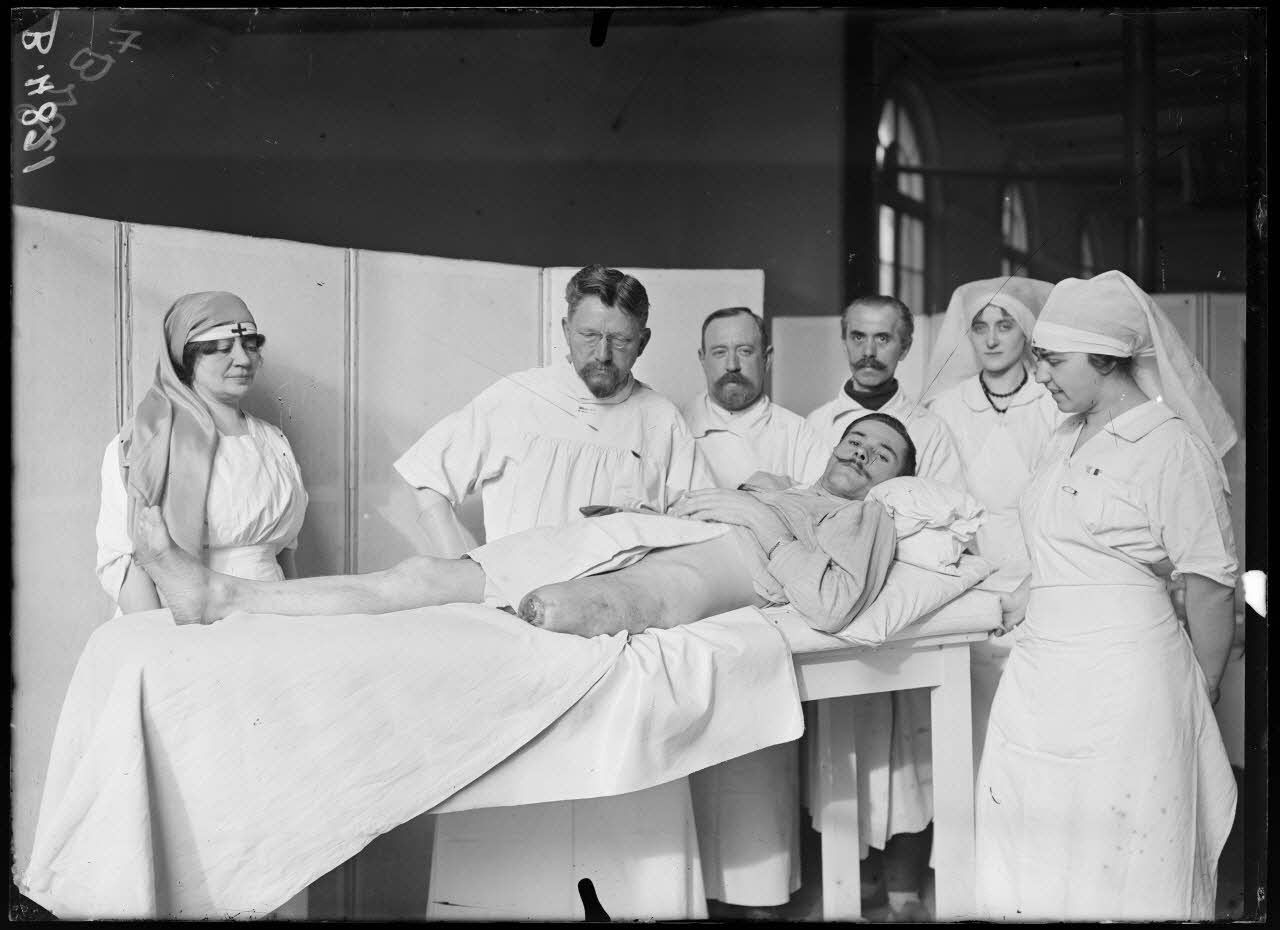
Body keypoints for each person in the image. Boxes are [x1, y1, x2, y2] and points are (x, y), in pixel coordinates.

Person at [390, 264, 714, 921]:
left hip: (620, 637)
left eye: (620, 340)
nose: (603, 354)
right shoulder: (517, 398)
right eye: (589, 336)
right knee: (518, 809)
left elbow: (697, 522)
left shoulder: (658, 418)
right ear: (564, 329)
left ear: (644, 341)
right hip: (522, 630)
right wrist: (471, 569)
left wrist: (643, 531)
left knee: (623, 804)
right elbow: (427, 477)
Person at [131, 412, 915, 638]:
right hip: (639, 536)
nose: (860, 452)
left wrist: (762, 523)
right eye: (856, 439)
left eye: (880, 452)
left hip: (724, 567)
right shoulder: (770, 482)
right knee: (422, 577)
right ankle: (218, 595)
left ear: (896, 477)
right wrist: (652, 513)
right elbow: (689, 507)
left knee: (569, 611)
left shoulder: (867, 517)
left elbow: (832, 603)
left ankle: (554, 616)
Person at [975, 270, 1238, 921]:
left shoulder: (1171, 446)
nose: (1040, 375)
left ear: (1107, 358)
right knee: (1036, 839)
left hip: (1127, 679)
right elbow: (1069, 541)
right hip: (1041, 675)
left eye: (1054, 360)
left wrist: (1205, 683)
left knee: (1126, 850)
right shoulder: (1064, 433)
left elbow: (1209, 582)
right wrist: (1025, 595)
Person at [805, 294, 968, 919]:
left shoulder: (929, 428)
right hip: (838, 597)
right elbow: (808, 503)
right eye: (858, 337)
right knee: (845, 744)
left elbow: (947, 517)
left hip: (899, 601)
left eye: (883, 339)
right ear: (843, 339)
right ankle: (856, 881)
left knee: (908, 750)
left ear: (905, 346)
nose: (869, 352)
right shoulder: (818, 423)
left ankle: (903, 883)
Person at [680, 306, 828, 916]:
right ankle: (694, 899)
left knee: (760, 762)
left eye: (745, 351)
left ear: (766, 358)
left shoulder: (798, 432)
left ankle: (762, 898)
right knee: (691, 747)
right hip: (694, 611)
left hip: (771, 614)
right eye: (720, 353)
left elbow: (820, 517)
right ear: (702, 360)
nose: (733, 365)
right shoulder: (675, 425)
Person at [96, 291, 309, 616]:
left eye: (250, 345)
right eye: (222, 348)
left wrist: (297, 625)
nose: (243, 360)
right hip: (181, 621)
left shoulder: (273, 441)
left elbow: (285, 554)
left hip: (270, 618)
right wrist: (167, 642)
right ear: (186, 357)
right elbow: (127, 562)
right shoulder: (144, 442)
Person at [921, 277, 1059, 765]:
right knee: (977, 717)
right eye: (980, 328)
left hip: (1043, 577)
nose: (993, 339)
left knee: (1041, 717)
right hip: (974, 580)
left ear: (1026, 332)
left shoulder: (1053, 400)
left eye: (1005, 326)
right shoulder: (946, 407)